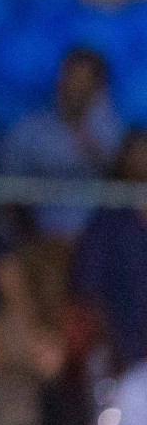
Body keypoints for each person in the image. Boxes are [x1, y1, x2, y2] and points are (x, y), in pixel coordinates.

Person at [3, 49, 123, 239]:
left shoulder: (113, 132)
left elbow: (125, 185)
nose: (76, 87)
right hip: (39, 238)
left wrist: (88, 141)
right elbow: (9, 195)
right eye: (72, 78)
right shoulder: (30, 131)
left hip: (101, 240)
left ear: (98, 88)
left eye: (85, 81)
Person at [73, 131, 147, 375]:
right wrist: (113, 346)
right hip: (120, 348)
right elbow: (87, 290)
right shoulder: (106, 223)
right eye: (136, 158)